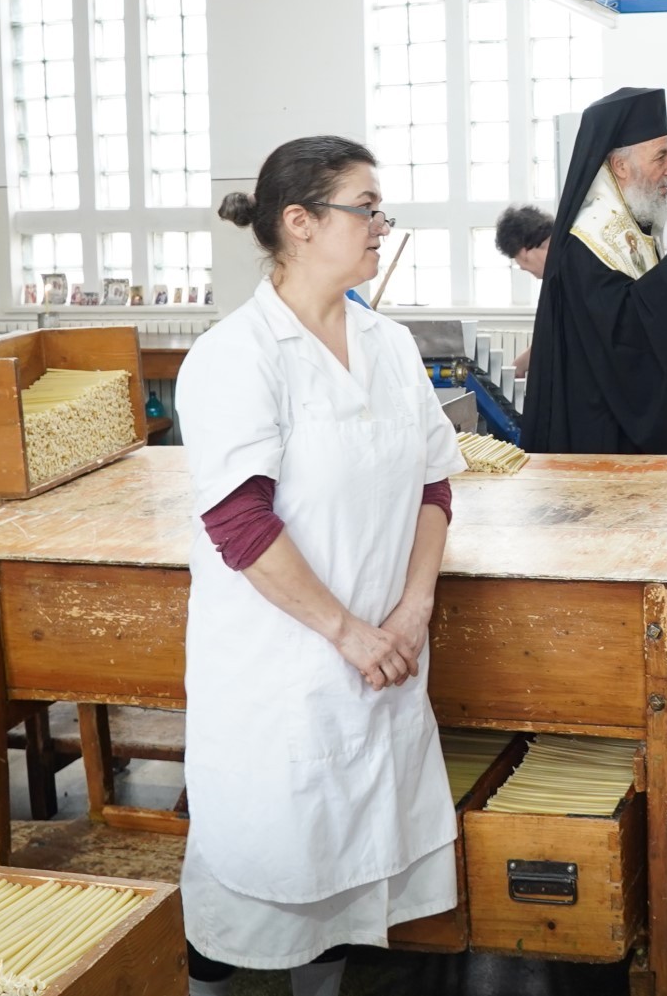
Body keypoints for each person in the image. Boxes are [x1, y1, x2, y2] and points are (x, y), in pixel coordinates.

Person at [175, 136, 466, 996]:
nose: (382, 224)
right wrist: (346, 631)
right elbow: (237, 519)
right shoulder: (237, 355)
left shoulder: (389, 344)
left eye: (381, 208)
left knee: (348, 878)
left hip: (380, 656)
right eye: (365, 207)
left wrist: (409, 614)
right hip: (285, 668)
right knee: (254, 881)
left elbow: (434, 485)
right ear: (299, 224)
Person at [520, 86, 667, 454]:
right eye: (661, 156)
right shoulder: (588, 238)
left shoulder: (635, 227)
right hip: (604, 438)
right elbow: (619, 335)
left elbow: (638, 312)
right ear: (620, 166)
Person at [493, 205, 553, 374]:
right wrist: (519, 366)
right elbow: (549, 333)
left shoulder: (566, 274)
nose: (523, 268)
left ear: (523, 252)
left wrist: (518, 366)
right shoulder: (562, 267)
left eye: (517, 259)